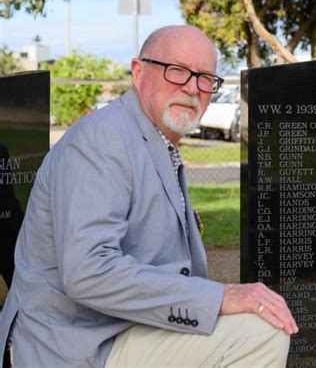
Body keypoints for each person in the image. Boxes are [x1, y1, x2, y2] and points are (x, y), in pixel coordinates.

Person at [0, 25, 297, 367]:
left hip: (123, 329)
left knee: (257, 320)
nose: (191, 87)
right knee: (259, 332)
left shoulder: (152, 139)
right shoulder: (102, 139)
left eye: (205, 78)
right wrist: (219, 297)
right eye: (177, 71)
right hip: (75, 342)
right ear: (138, 72)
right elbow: (89, 272)